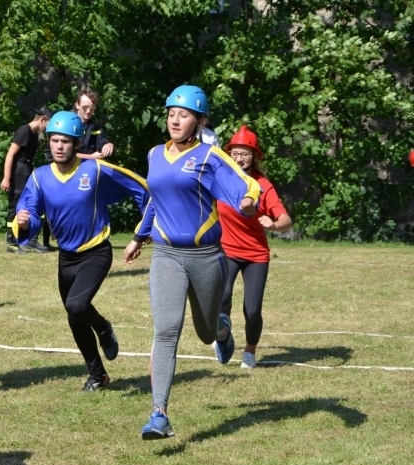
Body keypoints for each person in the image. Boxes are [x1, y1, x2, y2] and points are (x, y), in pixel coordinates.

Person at [123, 85, 261, 439]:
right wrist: (140, 236)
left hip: (205, 257)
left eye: (183, 115)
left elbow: (245, 187)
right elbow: (156, 199)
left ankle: (222, 330)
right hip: (166, 254)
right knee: (166, 330)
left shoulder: (210, 157)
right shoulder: (155, 154)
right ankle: (159, 414)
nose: (175, 120)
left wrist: (247, 202)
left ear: (200, 121)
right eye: (171, 113)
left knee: (204, 333)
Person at [15, 111, 150, 391]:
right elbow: (26, 207)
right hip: (66, 258)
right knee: (74, 316)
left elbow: (139, 186)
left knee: (77, 305)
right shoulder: (40, 177)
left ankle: (103, 328)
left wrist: (145, 227)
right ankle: (97, 374)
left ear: (76, 143)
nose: (59, 146)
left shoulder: (95, 170)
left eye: (66, 141)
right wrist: (23, 219)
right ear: (48, 143)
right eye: (54, 140)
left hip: (96, 252)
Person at [219, 125, 293, 369]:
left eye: (246, 154)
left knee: (252, 310)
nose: (240, 158)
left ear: (255, 156)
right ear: (229, 154)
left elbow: (286, 221)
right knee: (222, 297)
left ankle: (250, 351)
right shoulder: (220, 179)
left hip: (256, 255)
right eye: (236, 153)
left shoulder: (263, 185)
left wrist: (272, 224)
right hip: (226, 250)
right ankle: (223, 337)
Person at [1, 107, 52, 253]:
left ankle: (31, 240)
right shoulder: (24, 131)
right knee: (15, 205)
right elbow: (10, 154)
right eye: (48, 124)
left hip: (28, 169)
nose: (47, 129)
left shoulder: (35, 134)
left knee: (33, 203)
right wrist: (6, 177)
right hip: (19, 171)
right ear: (42, 120)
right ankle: (11, 242)